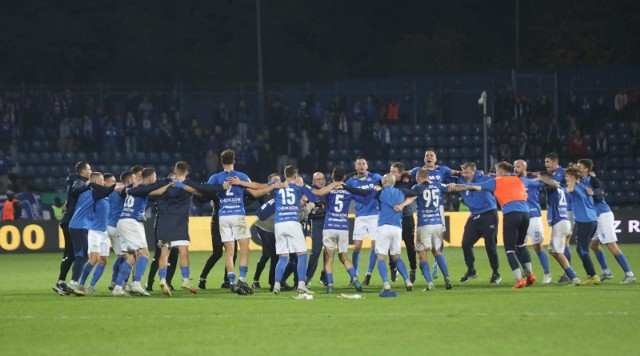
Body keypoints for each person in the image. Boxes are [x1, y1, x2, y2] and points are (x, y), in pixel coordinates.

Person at [460, 162, 544, 289]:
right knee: (521, 244)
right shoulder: (520, 180)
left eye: (497, 170)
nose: (495, 172)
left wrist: (457, 186)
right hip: (526, 214)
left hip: (511, 215)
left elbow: (476, 187)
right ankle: (530, 274)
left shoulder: (496, 181)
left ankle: (519, 280)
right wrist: (543, 178)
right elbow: (540, 183)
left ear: (501, 171)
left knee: (510, 249)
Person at [311, 166, 372, 293]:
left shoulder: (328, 190)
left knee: (329, 258)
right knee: (344, 257)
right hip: (343, 228)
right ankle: (355, 280)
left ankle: (330, 286)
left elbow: (317, 195)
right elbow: (365, 200)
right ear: (344, 177)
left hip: (329, 227)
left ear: (332, 177)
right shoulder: (349, 191)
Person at [112, 168, 172, 296]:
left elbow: (158, 191)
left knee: (131, 257)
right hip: (131, 222)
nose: (155, 179)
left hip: (122, 221)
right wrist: (169, 181)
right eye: (154, 177)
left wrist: (168, 185)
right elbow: (157, 187)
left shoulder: (135, 188)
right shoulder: (143, 187)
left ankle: (117, 287)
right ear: (150, 178)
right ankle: (136, 284)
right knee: (144, 253)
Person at [576, 159, 636, 284]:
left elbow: (599, 191)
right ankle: (606, 271)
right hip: (595, 217)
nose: (578, 168)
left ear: (587, 169)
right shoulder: (581, 180)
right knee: (594, 245)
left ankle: (629, 274)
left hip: (603, 215)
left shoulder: (592, 180)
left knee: (611, 244)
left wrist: (593, 193)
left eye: (580, 167)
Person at [446, 163, 501, 284]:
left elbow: (502, 179)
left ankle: (496, 273)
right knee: (466, 244)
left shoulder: (485, 178)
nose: (465, 175)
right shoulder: (460, 179)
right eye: (463, 172)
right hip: (474, 215)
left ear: (474, 172)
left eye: (467, 172)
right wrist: (455, 176)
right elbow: (443, 175)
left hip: (489, 214)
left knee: (490, 245)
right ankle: (471, 271)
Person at [409, 149, 459, 280]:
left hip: (438, 207)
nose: (429, 157)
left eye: (431, 155)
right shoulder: (417, 170)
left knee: (439, 237)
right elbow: (404, 173)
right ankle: (438, 263)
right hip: (425, 205)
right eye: (426, 155)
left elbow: (456, 173)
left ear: (436, 159)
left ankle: (436, 263)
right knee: (434, 237)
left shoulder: (442, 169)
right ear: (424, 159)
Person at [68, 171, 116, 294]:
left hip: (103, 231)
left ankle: (90, 286)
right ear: (96, 182)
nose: (103, 182)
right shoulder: (94, 193)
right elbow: (105, 190)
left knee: (102, 260)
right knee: (90, 258)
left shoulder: (99, 193)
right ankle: (78, 284)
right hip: (93, 230)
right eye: (102, 180)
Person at [272, 165, 315, 298]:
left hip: (279, 224)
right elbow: (312, 197)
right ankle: (301, 285)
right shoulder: (297, 187)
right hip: (292, 222)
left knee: (283, 257)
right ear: (296, 176)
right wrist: (302, 185)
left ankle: (277, 285)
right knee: (302, 254)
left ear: (285, 175)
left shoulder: (277, 186)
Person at [372, 174, 417, 292]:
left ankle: (386, 283)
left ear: (384, 182)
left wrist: (378, 189)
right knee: (396, 257)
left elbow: (371, 196)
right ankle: (407, 281)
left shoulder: (380, 193)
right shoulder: (401, 191)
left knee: (381, 257)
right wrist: (402, 205)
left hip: (383, 227)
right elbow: (414, 194)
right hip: (397, 228)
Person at [52, 161, 91, 296]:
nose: (91, 172)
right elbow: (76, 189)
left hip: (70, 220)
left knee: (73, 253)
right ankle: (61, 282)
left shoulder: (76, 181)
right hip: (70, 221)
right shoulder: (77, 181)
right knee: (72, 252)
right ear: (83, 172)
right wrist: (90, 183)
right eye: (89, 169)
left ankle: (62, 282)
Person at [536, 171, 581, 285]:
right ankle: (572, 274)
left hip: (560, 222)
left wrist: (540, 179)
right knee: (553, 251)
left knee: (558, 252)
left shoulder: (553, 186)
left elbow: (551, 183)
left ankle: (574, 277)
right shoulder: (559, 187)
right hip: (563, 221)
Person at [411, 168, 452, 290]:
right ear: (428, 177)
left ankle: (429, 284)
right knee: (437, 251)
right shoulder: (437, 186)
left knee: (422, 255)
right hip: (437, 224)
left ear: (418, 178)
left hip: (424, 225)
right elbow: (451, 188)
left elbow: (409, 197)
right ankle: (447, 279)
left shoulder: (417, 187)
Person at [514, 159, 552, 284]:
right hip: (520, 217)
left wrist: (540, 177)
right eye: (515, 166)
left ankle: (547, 274)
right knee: (517, 246)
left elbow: (550, 183)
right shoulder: (513, 181)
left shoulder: (532, 182)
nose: (516, 168)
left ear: (525, 168)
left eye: (518, 166)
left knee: (537, 246)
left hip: (534, 217)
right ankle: (527, 270)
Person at [345, 158, 382, 285]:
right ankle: (354, 274)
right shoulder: (350, 181)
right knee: (357, 247)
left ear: (367, 166)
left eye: (364, 164)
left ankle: (368, 274)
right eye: (359, 164)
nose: (362, 166)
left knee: (374, 246)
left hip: (374, 215)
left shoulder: (376, 178)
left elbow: (389, 181)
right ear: (355, 167)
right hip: (360, 216)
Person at [564, 167, 600, 285]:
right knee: (580, 249)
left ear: (573, 178)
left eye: (567, 176)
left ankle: (593, 276)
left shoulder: (575, 187)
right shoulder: (585, 186)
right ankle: (590, 275)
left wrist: (571, 183)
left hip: (585, 222)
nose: (565, 178)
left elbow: (569, 191)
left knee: (583, 250)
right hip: (592, 220)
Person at [544, 152, 573, 283]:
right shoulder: (556, 173)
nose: (546, 165)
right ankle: (567, 272)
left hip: (566, 210)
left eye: (548, 162)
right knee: (561, 245)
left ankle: (568, 273)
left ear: (555, 162)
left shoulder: (562, 173)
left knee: (564, 243)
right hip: (563, 210)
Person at [252, 173, 282, 289]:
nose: (278, 182)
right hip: (266, 226)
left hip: (275, 227)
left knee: (266, 255)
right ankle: (269, 282)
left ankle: (257, 280)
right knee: (269, 255)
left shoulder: (281, 193)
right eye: (275, 180)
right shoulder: (266, 193)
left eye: (279, 180)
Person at [389, 162, 417, 283]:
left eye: (394, 171)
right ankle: (393, 268)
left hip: (407, 218)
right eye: (390, 171)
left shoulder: (409, 183)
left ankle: (413, 269)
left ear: (401, 173)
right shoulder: (389, 183)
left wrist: (406, 174)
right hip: (393, 219)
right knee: (392, 247)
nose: (391, 174)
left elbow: (419, 172)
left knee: (410, 246)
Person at [108, 171, 134, 291]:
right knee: (129, 256)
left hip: (110, 225)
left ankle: (114, 281)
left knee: (121, 256)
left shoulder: (109, 191)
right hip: (119, 226)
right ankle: (121, 283)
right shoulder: (122, 191)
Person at [305, 172, 328, 287]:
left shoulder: (328, 190)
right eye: (318, 179)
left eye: (322, 179)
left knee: (329, 251)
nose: (321, 181)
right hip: (316, 222)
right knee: (316, 251)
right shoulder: (309, 192)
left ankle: (325, 276)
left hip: (329, 222)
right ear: (313, 182)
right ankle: (308, 277)